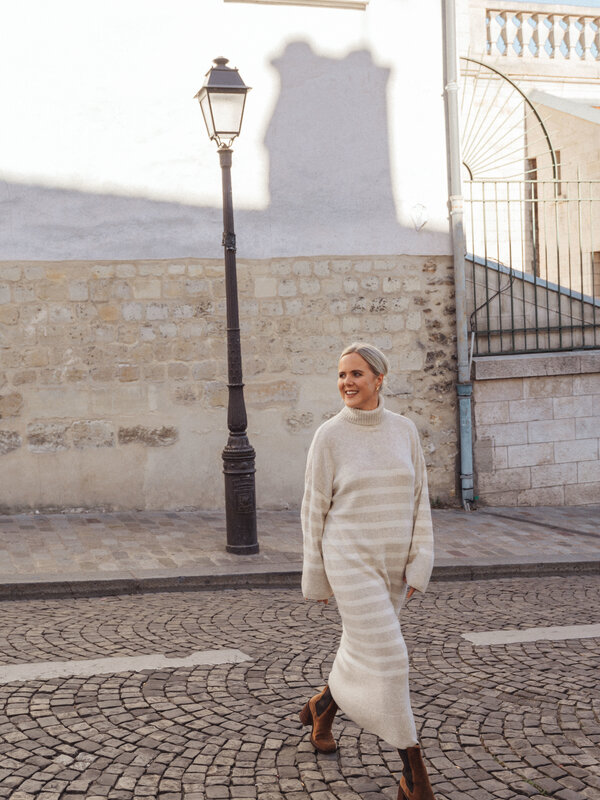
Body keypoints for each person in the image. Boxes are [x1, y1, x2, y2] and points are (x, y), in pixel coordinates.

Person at [299, 342, 436, 800]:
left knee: (361, 647)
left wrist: (419, 562)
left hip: (392, 563)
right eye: (342, 375)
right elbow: (313, 509)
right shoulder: (329, 436)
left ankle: (323, 706)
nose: (347, 383)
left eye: (357, 374)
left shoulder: (404, 430)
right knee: (391, 657)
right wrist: (316, 575)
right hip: (349, 559)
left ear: (379, 379)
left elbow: (420, 500)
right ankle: (413, 774)